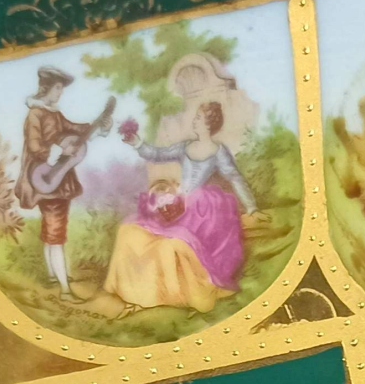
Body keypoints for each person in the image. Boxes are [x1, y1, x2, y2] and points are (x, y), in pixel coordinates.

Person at [105, 100, 261, 311]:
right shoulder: (186, 146)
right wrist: (137, 142)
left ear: (208, 124)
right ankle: (143, 290)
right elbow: (158, 155)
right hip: (181, 200)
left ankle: (173, 291)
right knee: (131, 230)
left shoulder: (218, 151)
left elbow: (234, 177)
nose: (194, 121)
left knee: (172, 242)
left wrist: (251, 207)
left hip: (203, 209)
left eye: (198, 118)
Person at [17, 67, 115, 301]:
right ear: (46, 88)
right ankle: (65, 290)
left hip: (57, 179)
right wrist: (57, 150)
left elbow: (76, 129)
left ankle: (53, 276)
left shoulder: (55, 114)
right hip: (44, 178)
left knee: (52, 229)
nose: (60, 93)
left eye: (61, 88)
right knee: (56, 235)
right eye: (58, 88)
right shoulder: (35, 115)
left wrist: (99, 125)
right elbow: (34, 145)